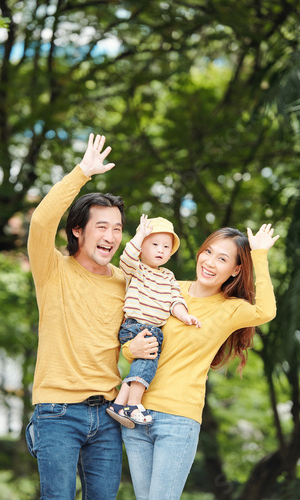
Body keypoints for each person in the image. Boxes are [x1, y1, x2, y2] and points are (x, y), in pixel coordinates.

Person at [121, 223, 279, 500]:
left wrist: (260, 254)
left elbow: (266, 310)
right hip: (135, 414)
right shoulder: (168, 287)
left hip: (178, 421)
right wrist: (129, 350)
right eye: (208, 252)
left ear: (236, 270)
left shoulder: (231, 309)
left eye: (222, 259)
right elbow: (134, 332)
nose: (210, 262)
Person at [25, 133, 129, 500]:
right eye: (102, 226)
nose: (111, 236)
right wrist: (82, 172)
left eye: (117, 228)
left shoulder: (124, 281)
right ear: (77, 230)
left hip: (108, 416)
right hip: (57, 413)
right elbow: (40, 223)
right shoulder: (53, 268)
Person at [107, 214, 200, 428]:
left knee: (142, 365)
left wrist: (184, 315)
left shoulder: (168, 276)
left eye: (166, 247)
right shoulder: (136, 269)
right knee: (147, 366)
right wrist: (139, 235)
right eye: (155, 244)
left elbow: (175, 300)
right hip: (136, 326)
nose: (160, 250)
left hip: (154, 329)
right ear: (142, 247)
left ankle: (119, 404)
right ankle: (134, 405)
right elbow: (126, 259)